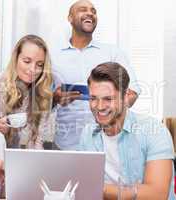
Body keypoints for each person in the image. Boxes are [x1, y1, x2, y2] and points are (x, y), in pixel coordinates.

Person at [51, 0, 141, 150]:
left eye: (93, 11)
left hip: (108, 146)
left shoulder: (112, 53)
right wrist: (54, 99)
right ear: (70, 18)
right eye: (82, 9)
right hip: (65, 145)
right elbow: (39, 99)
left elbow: (132, 92)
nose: (89, 13)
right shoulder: (53, 57)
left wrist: (110, 106)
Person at [79, 62, 176, 199]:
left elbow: (157, 195)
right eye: (93, 98)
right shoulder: (87, 134)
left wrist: (99, 189)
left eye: (108, 99)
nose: (99, 107)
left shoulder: (154, 131)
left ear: (126, 97)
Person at [0, 34, 53, 148]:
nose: (33, 70)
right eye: (27, 61)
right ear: (16, 59)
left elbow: (36, 142)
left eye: (39, 65)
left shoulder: (43, 95)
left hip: (12, 157)